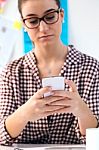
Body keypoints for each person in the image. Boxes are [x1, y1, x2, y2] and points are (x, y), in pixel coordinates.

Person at [0, 0, 99, 146]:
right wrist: (25, 113)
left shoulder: (92, 68)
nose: (43, 28)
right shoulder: (11, 73)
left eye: (50, 17)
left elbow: (95, 139)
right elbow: (2, 137)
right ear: (24, 25)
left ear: (61, 15)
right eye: (33, 21)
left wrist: (80, 109)